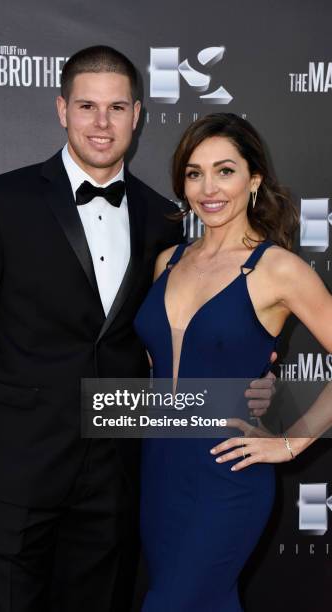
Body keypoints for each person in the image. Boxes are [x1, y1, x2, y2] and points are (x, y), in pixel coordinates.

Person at [0, 47, 273, 612]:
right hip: (19, 471)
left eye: (116, 108)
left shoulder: (164, 217)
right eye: (87, 106)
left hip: (117, 478)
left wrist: (258, 386)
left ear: (138, 114)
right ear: (62, 109)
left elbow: (185, 337)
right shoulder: (2, 200)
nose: (102, 123)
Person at [134, 113, 332, 612]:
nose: (208, 188)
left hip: (226, 473)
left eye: (225, 170)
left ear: (254, 180)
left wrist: (292, 442)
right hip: (159, 471)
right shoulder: (169, 261)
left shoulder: (277, 269)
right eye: (194, 173)